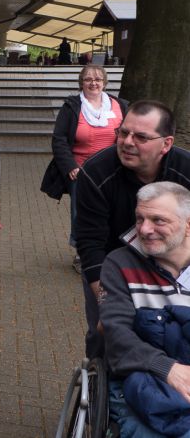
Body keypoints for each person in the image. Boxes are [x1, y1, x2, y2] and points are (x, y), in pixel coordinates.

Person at [75, 100, 190, 359]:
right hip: (112, 265)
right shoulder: (96, 173)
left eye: (141, 137)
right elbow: (90, 245)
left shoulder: (186, 171)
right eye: (123, 132)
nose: (127, 142)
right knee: (106, 334)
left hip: (178, 265)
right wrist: (107, 305)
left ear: (166, 143)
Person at [100, 182, 190, 438]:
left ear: (188, 225)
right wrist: (167, 369)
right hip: (139, 380)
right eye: (140, 219)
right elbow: (116, 333)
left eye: (158, 220)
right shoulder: (120, 263)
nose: (145, 229)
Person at [41, 65, 128, 272]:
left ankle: (111, 251)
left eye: (98, 79)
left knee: (114, 211)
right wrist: (69, 166)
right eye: (88, 79)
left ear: (105, 82)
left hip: (113, 170)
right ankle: (83, 253)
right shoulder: (72, 107)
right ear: (82, 82)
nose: (93, 83)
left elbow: (128, 134)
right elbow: (59, 139)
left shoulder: (119, 105)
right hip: (81, 171)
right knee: (82, 213)